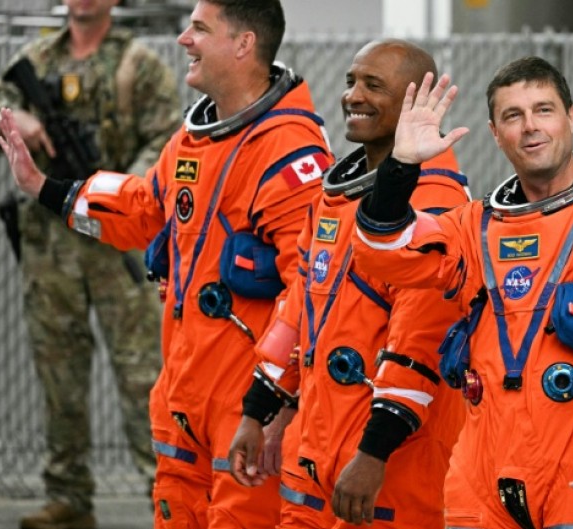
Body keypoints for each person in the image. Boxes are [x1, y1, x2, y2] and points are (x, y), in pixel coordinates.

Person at [0, 0, 333, 527]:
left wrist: (275, 408)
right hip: (184, 399)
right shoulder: (195, 139)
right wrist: (45, 188)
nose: (183, 39)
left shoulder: (290, 154)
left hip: (245, 410)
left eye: (199, 28)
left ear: (244, 44)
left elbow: (311, 300)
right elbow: (141, 206)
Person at [351, 56, 573, 529]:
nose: (530, 127)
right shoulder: (478, 225)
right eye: (513, 116)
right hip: (482, 470)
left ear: (572, 116)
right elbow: (383, 252)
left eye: (543, 110)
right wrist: (402, 166)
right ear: (494, 132)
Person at [226, 38, 470, 529]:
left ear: (412, 101)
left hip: (387, 466)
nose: (353, 96)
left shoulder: (436, 204)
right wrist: (259, 410)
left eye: (372, 85)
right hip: (315, 451)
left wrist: (374, 454)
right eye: (351, 82)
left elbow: (420, 344)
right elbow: (299, 310)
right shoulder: (335, 196)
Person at [0, 1, 179, 527]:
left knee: (142, 376)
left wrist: (114, 197)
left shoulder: (139, 65)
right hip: (52, 247)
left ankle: (168, 494)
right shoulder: (33, 60)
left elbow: (165, 144)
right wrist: (10, 119)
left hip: (118, 245)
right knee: (58, 372)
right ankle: (68, 494)